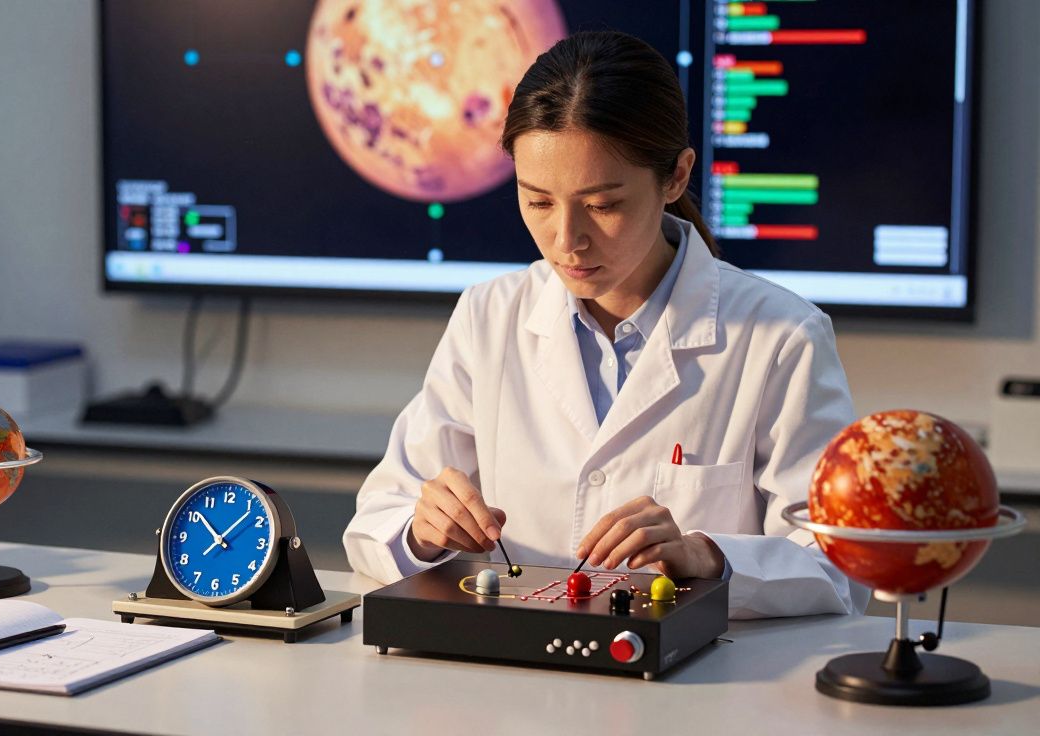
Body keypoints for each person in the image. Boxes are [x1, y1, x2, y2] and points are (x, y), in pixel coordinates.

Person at [342, 31, 869, 619]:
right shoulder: (488, 316)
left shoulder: (781, 337)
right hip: (512, 666)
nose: (567, 240)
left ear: (676, 177)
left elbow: (842, 567)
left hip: (701, 674)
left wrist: (708, 558)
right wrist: (422, 532)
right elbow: (377, 520)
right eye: (538, 202)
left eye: (602, 205)